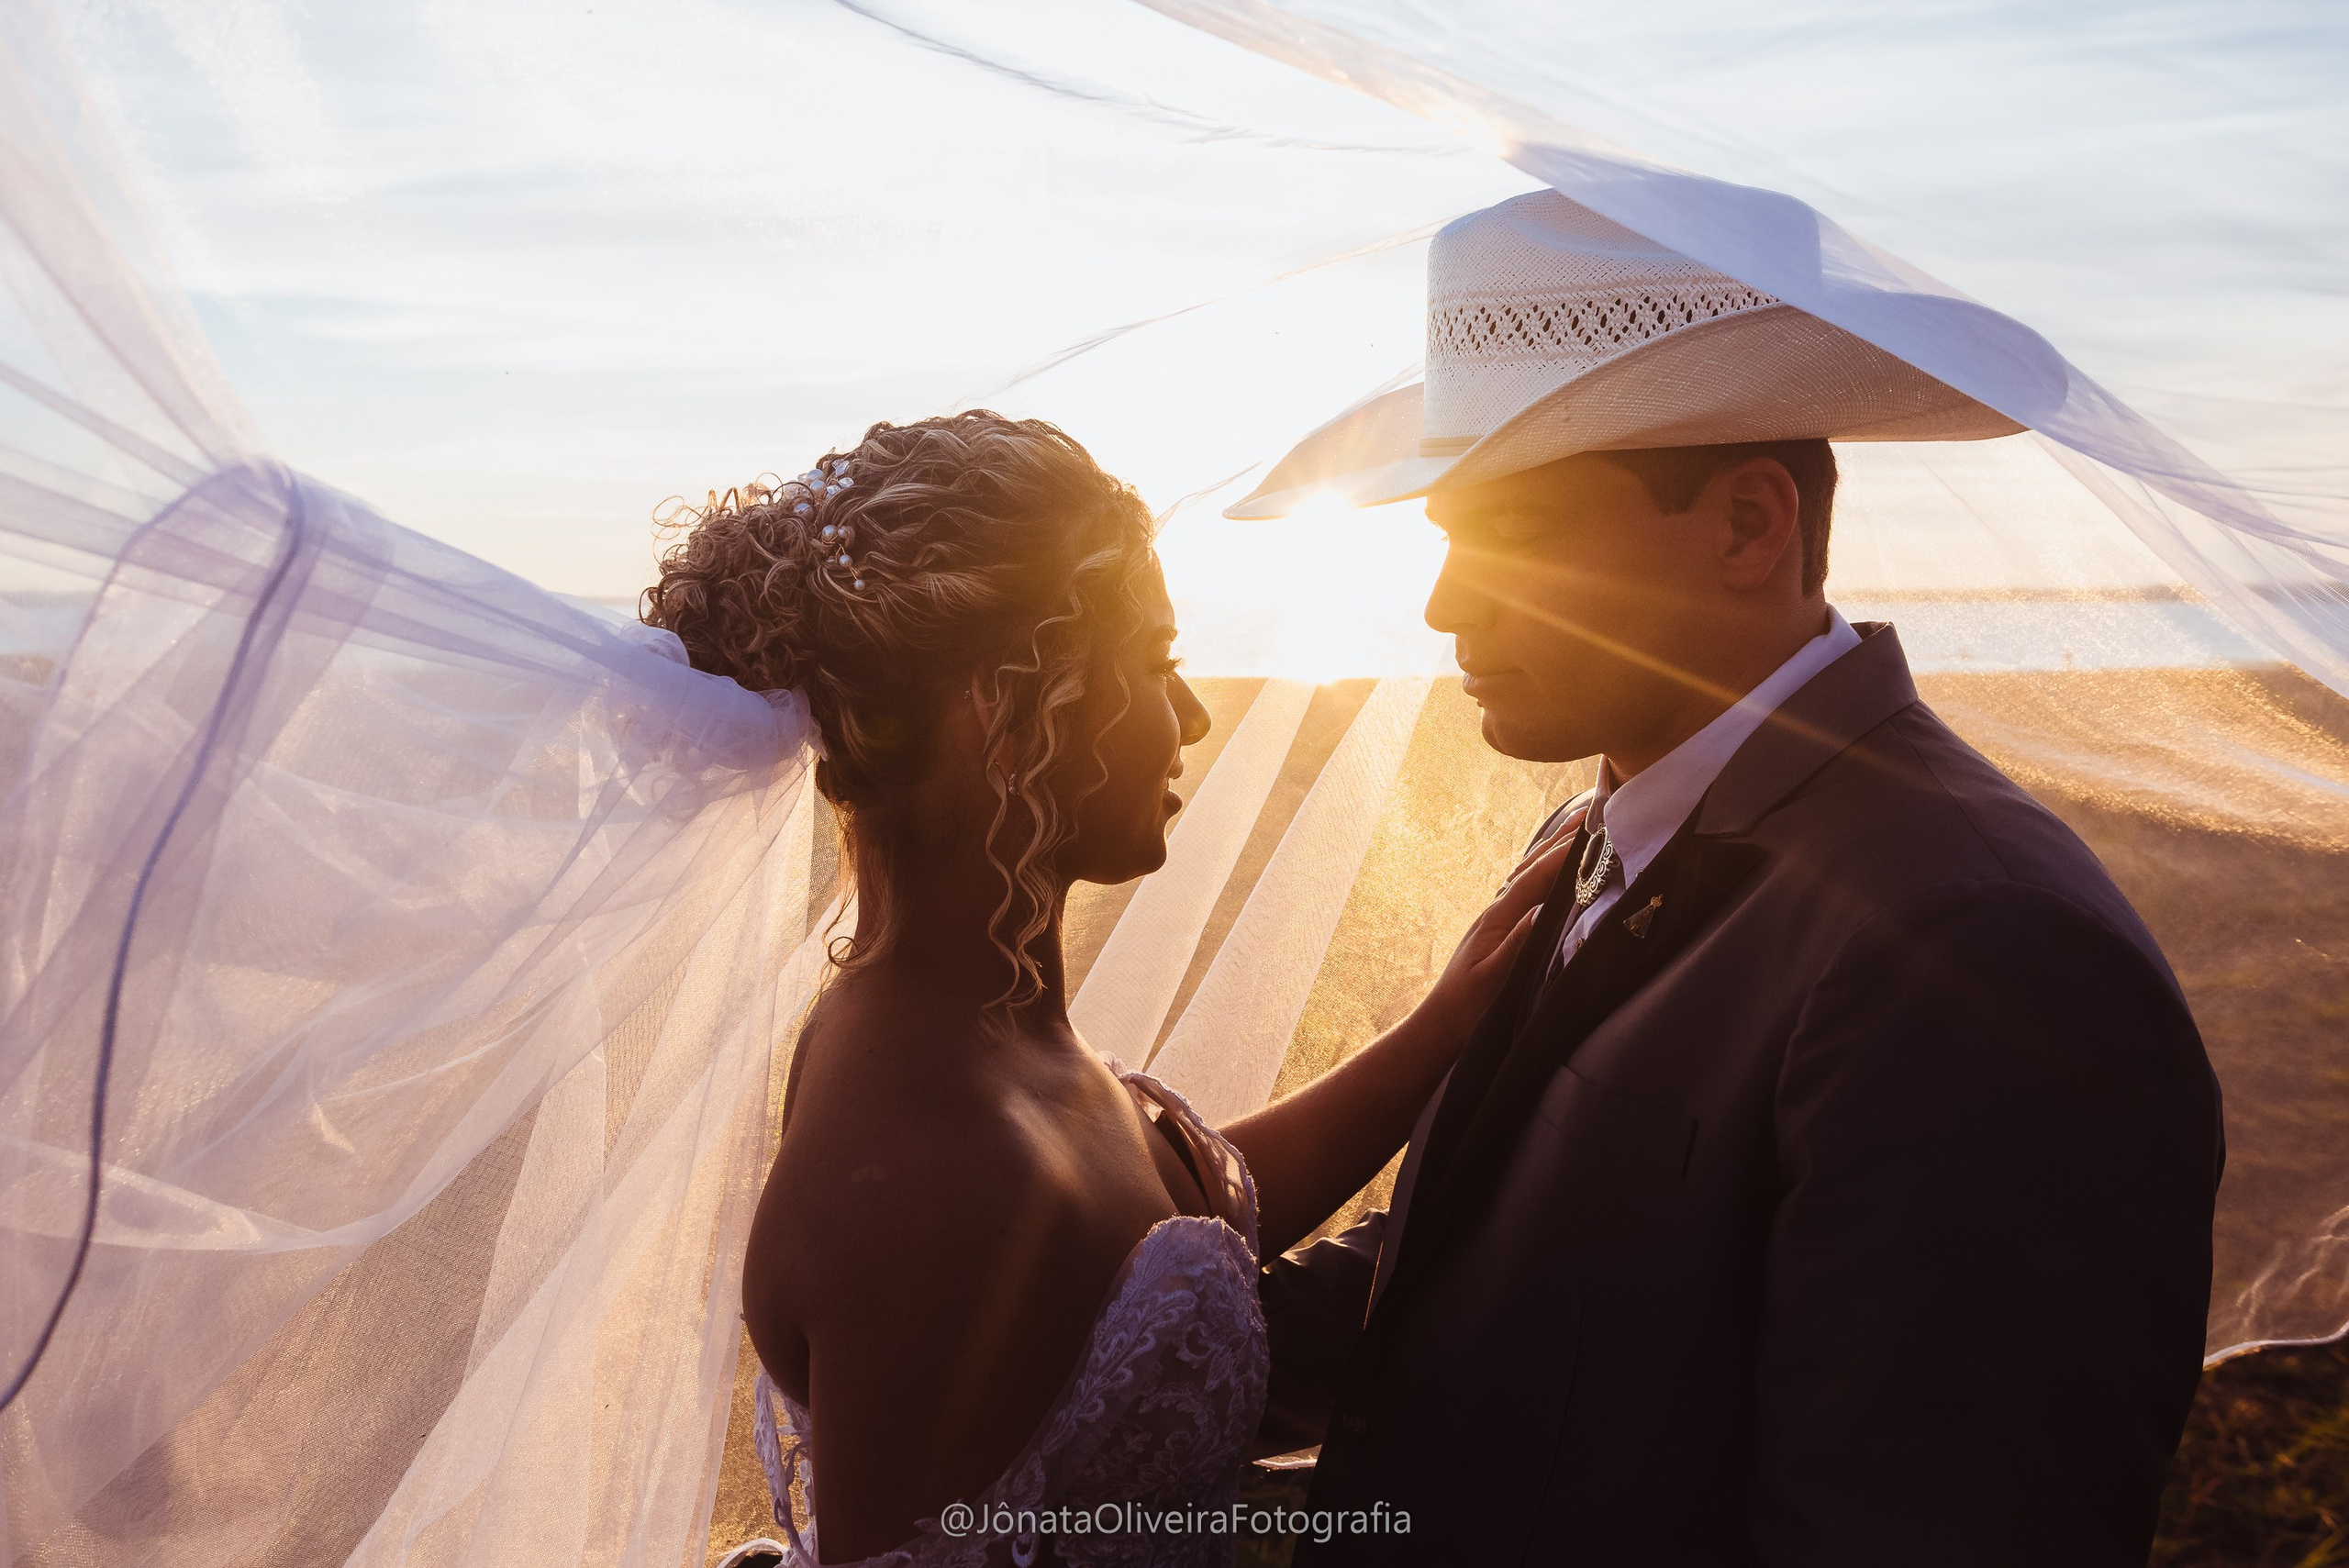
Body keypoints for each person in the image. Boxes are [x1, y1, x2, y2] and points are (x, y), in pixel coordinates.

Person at [1232, 193, 2225, 1564]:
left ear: (1749, 526)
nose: (1446, 605)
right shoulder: (1584, 839)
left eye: (1511, 535)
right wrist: (1063, 1344)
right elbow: (1461, 1267)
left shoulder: (1982, 949)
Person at [643, 411, 1568, 1566]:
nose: (1187, 718)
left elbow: (1132, 1240)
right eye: (1154, 664)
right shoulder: (919, 1159)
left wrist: (1439, 1030)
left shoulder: (975, 1032)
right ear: (1002, 708)